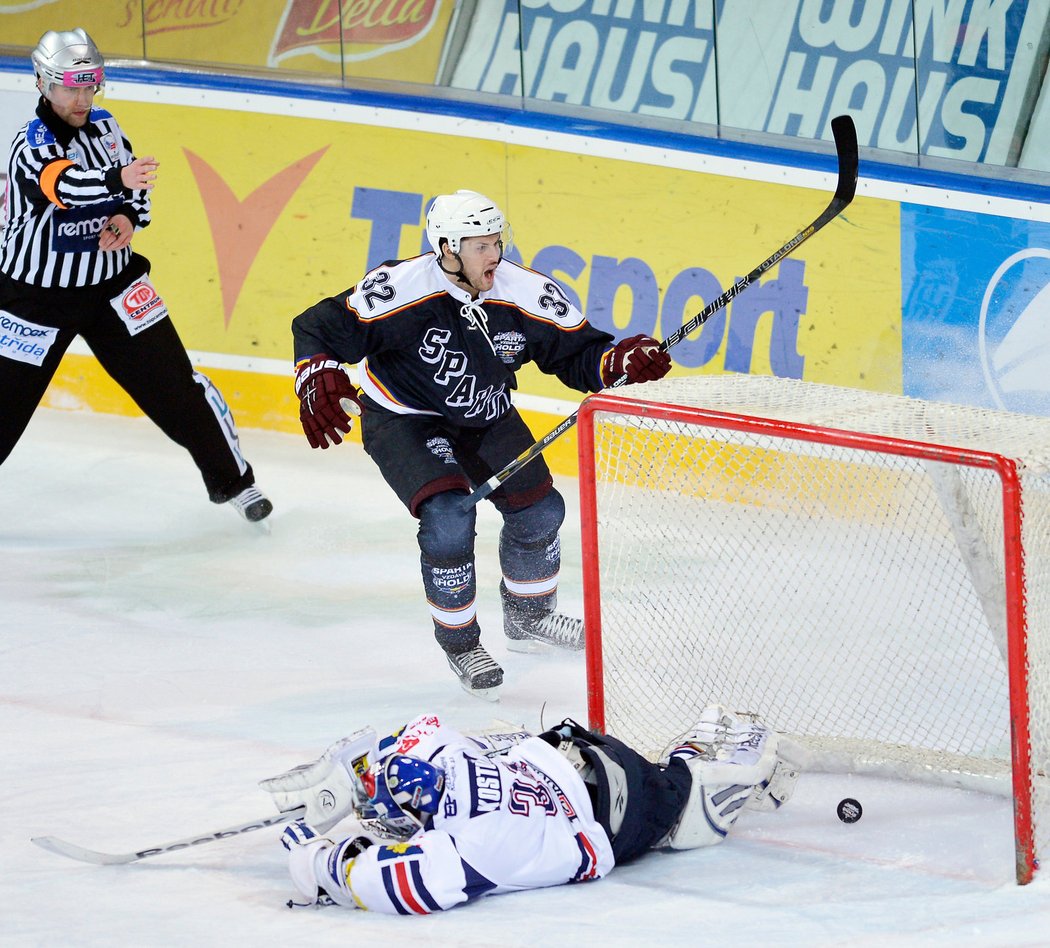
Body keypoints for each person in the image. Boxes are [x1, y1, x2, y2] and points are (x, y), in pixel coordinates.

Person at [291, 189, 671, 696]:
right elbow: (318, 327)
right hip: (407, 420)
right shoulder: (400, 287)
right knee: (448, 516)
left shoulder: (523, 291)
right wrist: (316, 374)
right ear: (447, 247)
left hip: (486, 414)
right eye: (480, 245)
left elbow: (579, 353)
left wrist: (617, 361)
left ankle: (529, 617)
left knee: (540, 512)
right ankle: (461, 643)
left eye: (497, 241)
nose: (494, 254)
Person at [0, 28, 272, 523]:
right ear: (41, 82)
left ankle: (236, 483)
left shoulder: (106, 125)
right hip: (33, 298)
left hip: (113, 286)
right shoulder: (30, 142)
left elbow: (137, 186)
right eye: (70, 86)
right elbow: (63, 186)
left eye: (91, 85)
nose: (82, 98)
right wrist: (116, 182)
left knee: (176, 388)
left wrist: (128, 216)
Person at [261, 705, 803, 913]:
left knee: (674, 796)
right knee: (675, 795)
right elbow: (395, 884)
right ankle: (688, 769)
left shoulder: (467, 830)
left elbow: (399, 881)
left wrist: (321, 835)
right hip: (595, 786)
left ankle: (691, 775)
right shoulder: (462, 812)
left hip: (594, 784)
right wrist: (319, 845)